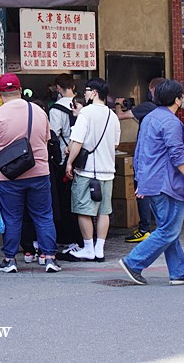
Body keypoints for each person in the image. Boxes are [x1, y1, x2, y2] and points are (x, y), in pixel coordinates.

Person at [117, 80, 184, 286]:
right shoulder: (171, 122)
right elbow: (178, 155)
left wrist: (141, 180)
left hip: (152, 181)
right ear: (177, 99)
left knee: (167, 227)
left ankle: (178, 272)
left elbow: (140, 151)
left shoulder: (149, 118)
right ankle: (133, 262)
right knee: (168, 230)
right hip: (169, 183)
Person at [0, 74, 61, 274]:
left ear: (0, 94)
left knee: (12, 217)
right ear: (20, 89)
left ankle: (10, 260)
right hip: (40, 172)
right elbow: (46, 139)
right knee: (43, 216)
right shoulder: (39, 112)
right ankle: (50, 258)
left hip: (9, 176)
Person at [63, 78, 120, 262]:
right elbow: (115, 143)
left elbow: (77, 141)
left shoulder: (85, 113)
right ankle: (100, 249)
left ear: (94, 92)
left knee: (84, 210)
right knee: (104, 211)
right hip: (107, 171)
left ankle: (88, 248)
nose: (85, 93)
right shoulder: (113, 116)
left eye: (87, 90)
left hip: (88, 171)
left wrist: (70, 162)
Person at [123, 78, 165, 244]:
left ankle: (144, 229)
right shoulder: (167, 113)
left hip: (147, 160)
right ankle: (157, 226)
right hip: (160, 162)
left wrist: (119, 104)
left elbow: (120, 116)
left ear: (153, 90)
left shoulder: (147, 108)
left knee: (143, 192)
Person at [48, 74, 82, 252]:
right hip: (82, 160)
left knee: (64, 201)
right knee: (81, 200)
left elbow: (53, 136)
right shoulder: (83, 106)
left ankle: (66, 237)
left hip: (63, 161)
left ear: (59, 89)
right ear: (73, 87)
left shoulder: (56, 110)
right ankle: (84, 237)